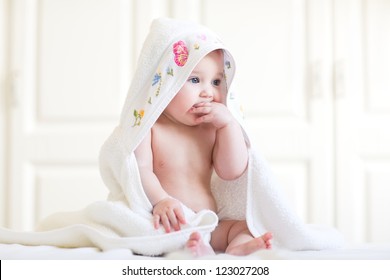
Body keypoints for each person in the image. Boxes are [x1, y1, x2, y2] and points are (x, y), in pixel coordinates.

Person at [134, 49, 272, 256]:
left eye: (216, 82)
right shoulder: (151, 127)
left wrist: (228, 125)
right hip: (170, 221)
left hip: (208, 223)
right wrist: (161, 200)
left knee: (243, 226)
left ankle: (235, 248)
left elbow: (232, 171)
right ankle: (193, 248)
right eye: (195, 79)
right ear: (167, 82)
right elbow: (139, 170)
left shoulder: (211, 129)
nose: (208, 92)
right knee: (157, 232)